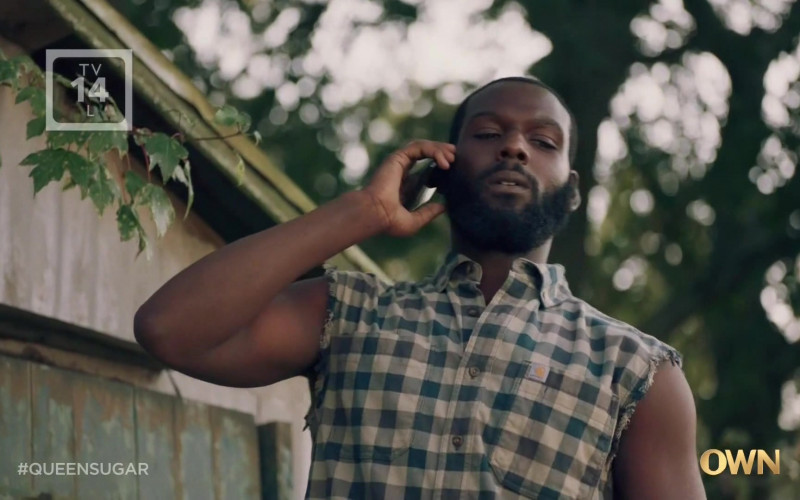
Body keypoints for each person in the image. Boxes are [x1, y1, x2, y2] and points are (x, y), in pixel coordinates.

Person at [134, 76, 706, 499]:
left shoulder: (636, 371)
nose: (514, 147)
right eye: (488, 133)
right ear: (443, 168)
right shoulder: (349, 315)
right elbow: (169, 329)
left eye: (544, 142)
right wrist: (362, 211)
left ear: (573, 190)